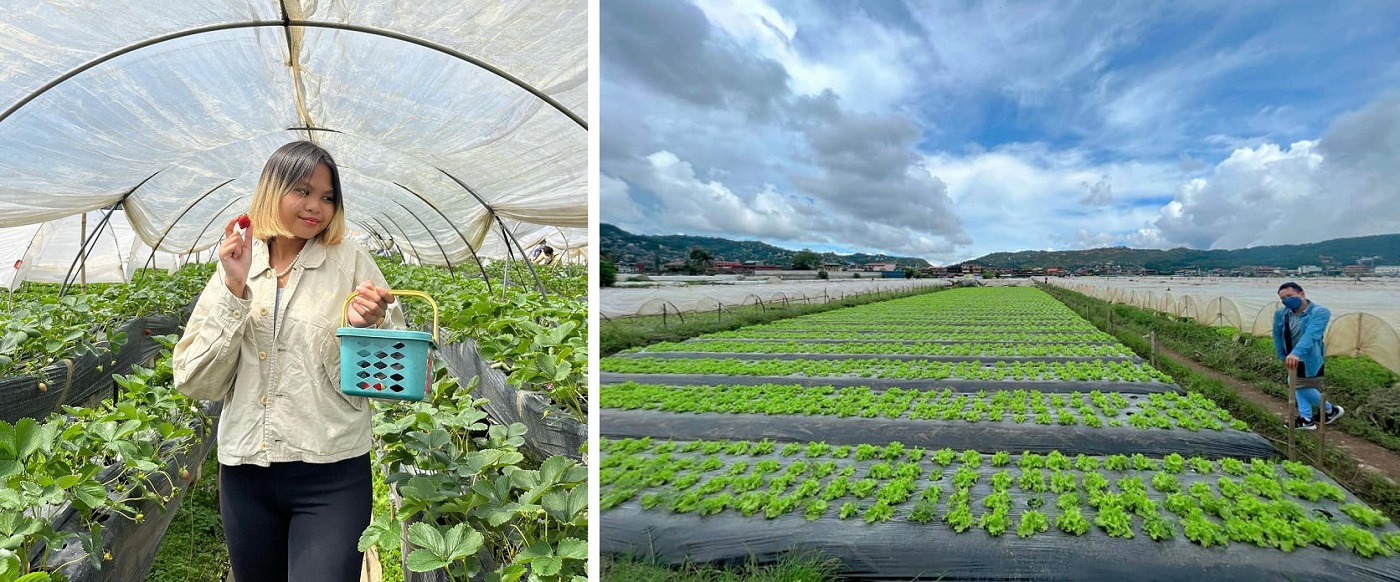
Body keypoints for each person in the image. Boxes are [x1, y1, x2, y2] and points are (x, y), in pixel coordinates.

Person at [173, 141, 403, 581]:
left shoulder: (351, 263)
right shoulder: (236, 264)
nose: (316, 206)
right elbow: (194, 381)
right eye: (302, 191)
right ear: (271, 190)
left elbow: (394, 377)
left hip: (331, 472)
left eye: (328, 196)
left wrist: (369, 326)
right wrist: (235, 291)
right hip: (245, 475)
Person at [1271, 281, 1344, 430]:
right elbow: (1277, 335)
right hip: (1291, 357)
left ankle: (1330, 410)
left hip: (1309, 357)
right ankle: (1308, 419)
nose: (1286, 301)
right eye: (1283, 299)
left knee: (1298, 385)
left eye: (1289, 296)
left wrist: (1296, 353)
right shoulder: (1281, 313)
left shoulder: (1320, 312)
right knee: (1296, 384)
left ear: (1302, 294)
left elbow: (1312, 335)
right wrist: (1282, 355)